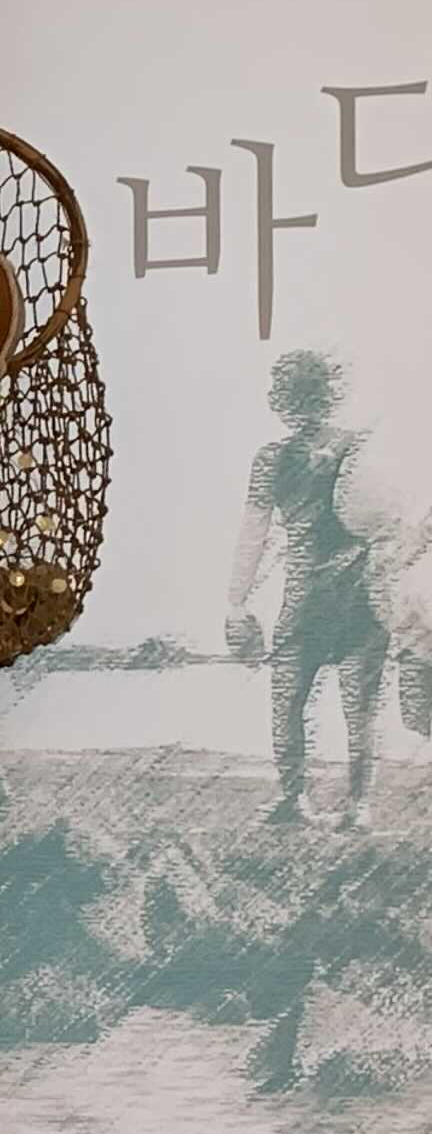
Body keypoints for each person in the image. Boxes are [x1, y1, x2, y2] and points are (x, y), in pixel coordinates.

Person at [230, 348, 392, 829]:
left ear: (282, 399)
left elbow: (254, 532)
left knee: (289, 700)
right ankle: (358, 806)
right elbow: (396, 514)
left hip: (306, 595)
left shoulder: (271, 459)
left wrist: (236, 601)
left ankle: (295, 798)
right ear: (330, 394)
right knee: (361, 707)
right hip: (363, 593)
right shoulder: (360, 449)